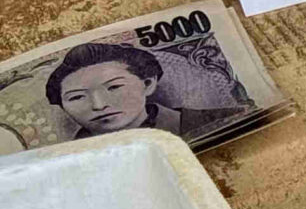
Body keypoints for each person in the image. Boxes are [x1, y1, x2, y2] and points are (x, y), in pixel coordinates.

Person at [45, 43, 247, 142]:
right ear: (63, 106)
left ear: (148, 84)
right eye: (77, 97)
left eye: (114, 87)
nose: (99, 105)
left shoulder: (233, 121)